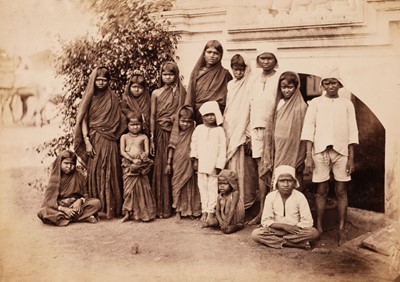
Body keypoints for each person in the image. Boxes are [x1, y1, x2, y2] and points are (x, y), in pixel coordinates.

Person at [301, 69, 358, 245]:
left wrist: (351, 158)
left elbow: (352, 131)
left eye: (334, 82)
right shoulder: (316, 103)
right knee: (321, 190)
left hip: (341, 152)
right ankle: (319, 226)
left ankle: (341, 229)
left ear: (340, 84)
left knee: (341, 190)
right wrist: (308, 156)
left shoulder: (347, 104)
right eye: (326, 83)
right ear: (322, 85)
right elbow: (309, 129)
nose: (330, 86)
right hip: (320, 151)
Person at [74, 66, 127, 219]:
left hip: (110, 140)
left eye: (104, 80)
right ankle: (95, 210)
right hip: (94, 138)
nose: (101, 82)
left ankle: (112, 208)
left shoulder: (113, 98)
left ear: (108, 81)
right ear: (93, 80)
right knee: (95, 171)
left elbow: (120, 119)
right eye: (98, 80)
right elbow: (83, 120)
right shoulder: (89, 98)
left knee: (111, 171)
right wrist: (86, 140)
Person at [247, 46, 281, 225]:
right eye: (262, 58)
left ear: (275, 59)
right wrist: (248, 130)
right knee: (261, 170)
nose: (266, 61)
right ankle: (262, 213)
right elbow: (250, 105)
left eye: (269, 58)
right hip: (256, 129)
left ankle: (275, 213)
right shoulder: (254, 80)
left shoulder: (279, 77)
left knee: (275, 168)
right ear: (258, 60)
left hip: (275, 129)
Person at [251, 165, 319, 249]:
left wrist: (293, 227)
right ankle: (292, 244)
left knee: (313, 233)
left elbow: (308, 221)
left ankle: (278, 241)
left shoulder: (300, 197)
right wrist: (283, 226)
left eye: (289, 181)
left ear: (294, 183)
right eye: (282, 181)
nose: (286, 184)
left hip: (295, 231)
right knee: (256, 234)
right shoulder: (270, 196)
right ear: (276, 182)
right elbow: (266, 221)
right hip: (276, 230)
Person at [150, 62, 186, 218]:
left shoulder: (180, 92)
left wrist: (175, 117)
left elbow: (184, 111)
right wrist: (152, 136)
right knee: (161, 167)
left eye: (171, 74)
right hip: (159, 132)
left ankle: (176, 206)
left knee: (175, 166)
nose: (167, 77)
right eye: (164, 74)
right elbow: (152, 116)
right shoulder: (156, 93)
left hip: (176, 131)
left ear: (176, 75)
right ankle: (161, 207)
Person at [223, 54, 258, 210]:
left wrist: (248, 133)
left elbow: (251, 108)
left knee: (244, 166)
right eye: (235, 70)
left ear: (246, 69)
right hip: (230, 127)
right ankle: (231, 202)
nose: (238, 73)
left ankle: (244, 202)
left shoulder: (250, 83)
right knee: (230, 163)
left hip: (242, 128)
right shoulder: (231, 85)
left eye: (241, 69)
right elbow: (229, 107)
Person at [38, 150, 101, 226]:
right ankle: (82, 217)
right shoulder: (55, 178)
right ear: (60, 163)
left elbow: (85, 194)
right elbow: (49, 202)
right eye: (66, 163)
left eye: (72, 164)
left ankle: (64, 219)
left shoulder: (79, 176)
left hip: (76, 207)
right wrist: (64, 209)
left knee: (97, 203)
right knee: (43, 212)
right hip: (60, 207)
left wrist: (80, 201)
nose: (69, 166)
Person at [190, 101, 226, 226]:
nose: (209, 117)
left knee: (212, 188)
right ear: (202, 117)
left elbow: (222, 150)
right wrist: (195, 159)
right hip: (201, 164)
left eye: (212, 115)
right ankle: (204, 210)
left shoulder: (220, 131)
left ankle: (211, 211)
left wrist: (219, 166)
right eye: (206, 115)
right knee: (202, 187)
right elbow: (194, 144)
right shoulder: (199, 129)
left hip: (213, 165)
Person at [272, 71, 308, 189]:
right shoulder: (278, 103)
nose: (286, 90)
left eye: (290, 87)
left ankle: (298, 202)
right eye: (283, 87)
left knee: (296, 172)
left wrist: (302, 154)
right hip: (279, 145)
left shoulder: (301, 106)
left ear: (296, 87)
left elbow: (304, 130)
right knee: (279, 172)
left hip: (295, 146)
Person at [166, 105, 202, 220]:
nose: (185, 124)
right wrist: (168, 163)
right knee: (177, 183)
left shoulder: (194, 132)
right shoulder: (175, 133)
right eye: (183, 121)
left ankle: (190, 210)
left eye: (188, 122)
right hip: (178, 161)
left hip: (190, 162)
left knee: (191, 185)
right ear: (178, 120)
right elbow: (171, 147)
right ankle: (178, 209)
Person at [185, 40, 233, 123]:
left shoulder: (225, 74)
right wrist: (188, 111)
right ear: (204, 54)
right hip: (198, 114)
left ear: (220, 56)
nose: (212, 55)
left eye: (216, 53)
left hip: (215, 115)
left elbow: (230, 96)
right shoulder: (197, 72)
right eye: (209, 52)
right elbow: (190, 93)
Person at [119, 114, 155, 223]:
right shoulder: (124, 137)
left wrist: (140, 158)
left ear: (141, 125)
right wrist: (131, 159)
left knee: (143, 190)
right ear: (127, 125)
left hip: (140, 165)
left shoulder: (144, 137)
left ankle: (144, 214)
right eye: (132, 125)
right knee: (128, 191)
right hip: (128, 165)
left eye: (137, 124)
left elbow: (147, 152)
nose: (135, 127)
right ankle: (127, 213)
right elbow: (122, 151)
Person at [206, 169, 245, 234]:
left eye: (225, 183)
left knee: (227, 230)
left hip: (233, 220)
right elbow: (217, 211)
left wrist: (227, 222)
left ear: (231, 184)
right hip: (223, 218)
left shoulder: (235, 194)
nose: (222, 186)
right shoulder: (219, 196)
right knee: (210, 222)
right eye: (220, 184)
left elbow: (232, 209)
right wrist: (221, 221)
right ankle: (222, 225)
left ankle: (238, 226)